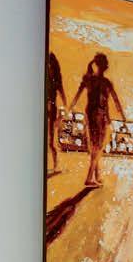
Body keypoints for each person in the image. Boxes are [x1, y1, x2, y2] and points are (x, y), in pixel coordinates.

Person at [70, 52, 125, 187]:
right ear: (104, 65)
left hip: (90, 114)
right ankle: (89, 178)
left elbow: (77, 96)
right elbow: (115, 101)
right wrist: (123, 117)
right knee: (98, 146)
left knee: (94, 145)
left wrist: (69, 109)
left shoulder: (88, 79)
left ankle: (97, 175)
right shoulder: (106, 82)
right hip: (100, 116)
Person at [45, 52, 64, 173]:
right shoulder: (46, 79)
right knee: (48, 141)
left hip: (52, 110)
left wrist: (61, 116)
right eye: (48, 67)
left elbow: (64, 100)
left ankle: (56, 165)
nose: (49, 69)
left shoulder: (57, 82)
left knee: (51, 142)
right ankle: (55, 165)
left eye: (51, 67)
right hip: (46, 109)